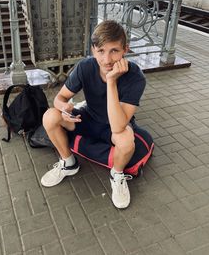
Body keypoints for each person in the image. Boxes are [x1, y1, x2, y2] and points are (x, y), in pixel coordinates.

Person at [41, 20, 146, 209]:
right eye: (101, 51)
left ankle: (117, 174)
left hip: (114, 127)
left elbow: (118, 126)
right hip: (87, 118)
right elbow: (59, 98)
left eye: (114, 50)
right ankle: (68, 163)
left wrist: (111, 81)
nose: (107, 60)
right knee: (50, 116)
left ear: (125, 50)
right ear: (93, 50)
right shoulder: (86, 67)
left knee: (126, 139)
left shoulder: (135, 77)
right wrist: (64, 109)